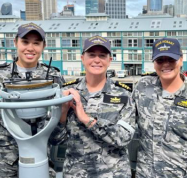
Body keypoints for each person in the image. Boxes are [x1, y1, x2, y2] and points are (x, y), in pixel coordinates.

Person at [0, 23, 62, 178]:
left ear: (44, 46)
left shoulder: (54, 76)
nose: (30, 48)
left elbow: (60, 118)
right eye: (25, 42)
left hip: (39, 151)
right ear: (15, 42)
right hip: (2, 157)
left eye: (36, 43)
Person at [49, 35, 136, 178]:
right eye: (91, 55)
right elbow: (55, 140)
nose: (97, 60)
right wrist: (63, 112)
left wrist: (85, 118)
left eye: (102, 55)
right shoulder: (68, 92)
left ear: (110, 60)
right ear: (82, 58)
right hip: (76, 173)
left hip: (114, 174)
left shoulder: (123, 94)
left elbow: (123, 138)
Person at [132, 38, 187, 177]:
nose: (166, 64)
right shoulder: (142, 88)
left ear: (181, 60)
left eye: (171, 59)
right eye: (160, 60)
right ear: (154, 63)